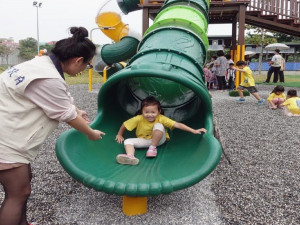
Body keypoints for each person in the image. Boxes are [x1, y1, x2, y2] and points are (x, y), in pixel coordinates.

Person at [0, 27, 105, 225]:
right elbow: (66, 114)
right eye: (87, 65)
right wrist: (90, 133)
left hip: (8, 131)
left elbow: (56, 98)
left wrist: (76, 109)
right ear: (77, 60)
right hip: (6, 140)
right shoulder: (48, 77)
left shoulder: (41, 64)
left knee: (22, 184)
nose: (85, 70)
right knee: (18, 193)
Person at [115, 96, 207, 165]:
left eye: (153, 112)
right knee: (127, 141)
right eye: (146, 112)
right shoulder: (138, 118)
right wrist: (119, 134)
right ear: (142, 111)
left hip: (159, 140)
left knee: (158, 125)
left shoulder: (161, 118)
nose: (149, 115)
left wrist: (193, 130)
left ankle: (152, 148)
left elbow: (177, 124)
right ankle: (130, 156)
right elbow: (125, 124)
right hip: (145, 141)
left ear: (159, 111)